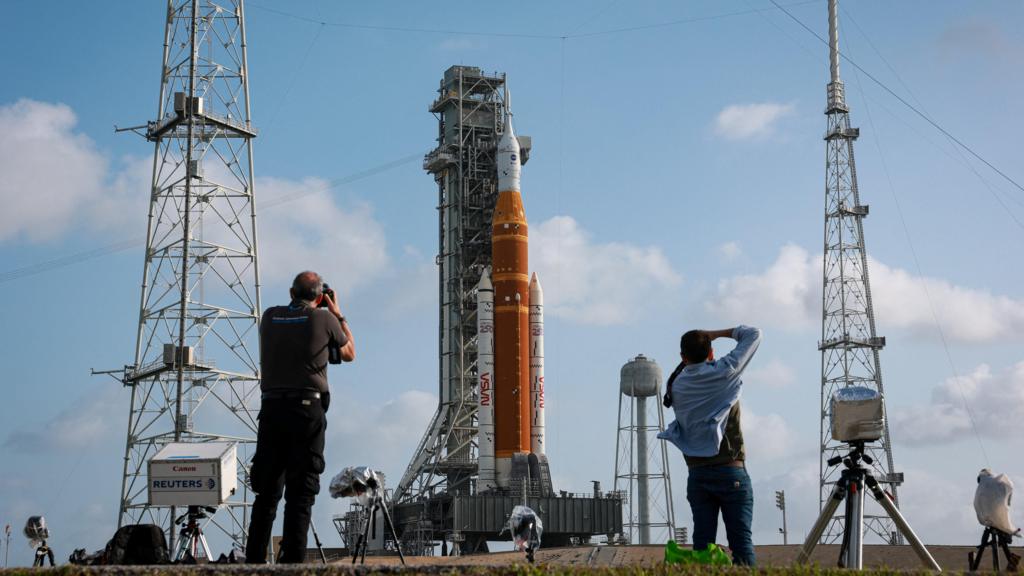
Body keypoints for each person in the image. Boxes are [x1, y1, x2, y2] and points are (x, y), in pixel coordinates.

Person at [246, 271, 355, 563]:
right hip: (307, 411)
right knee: (301, 492)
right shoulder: (325, 319)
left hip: (271, 410)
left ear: (290, 292)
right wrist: (337, 311)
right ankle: (291, 562)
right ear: (319, 297)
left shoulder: (269, 317)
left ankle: (254, 562)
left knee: (267, 493)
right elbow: (348, 352)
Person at [658, 325, 762, 566]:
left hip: (697, 475)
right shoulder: (725, 371)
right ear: (712, 353)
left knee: (702, 548)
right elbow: (753, 334)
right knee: (741, 545)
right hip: (731, 470)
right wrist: (717, 333)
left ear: (683, 358)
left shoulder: (677, 386)